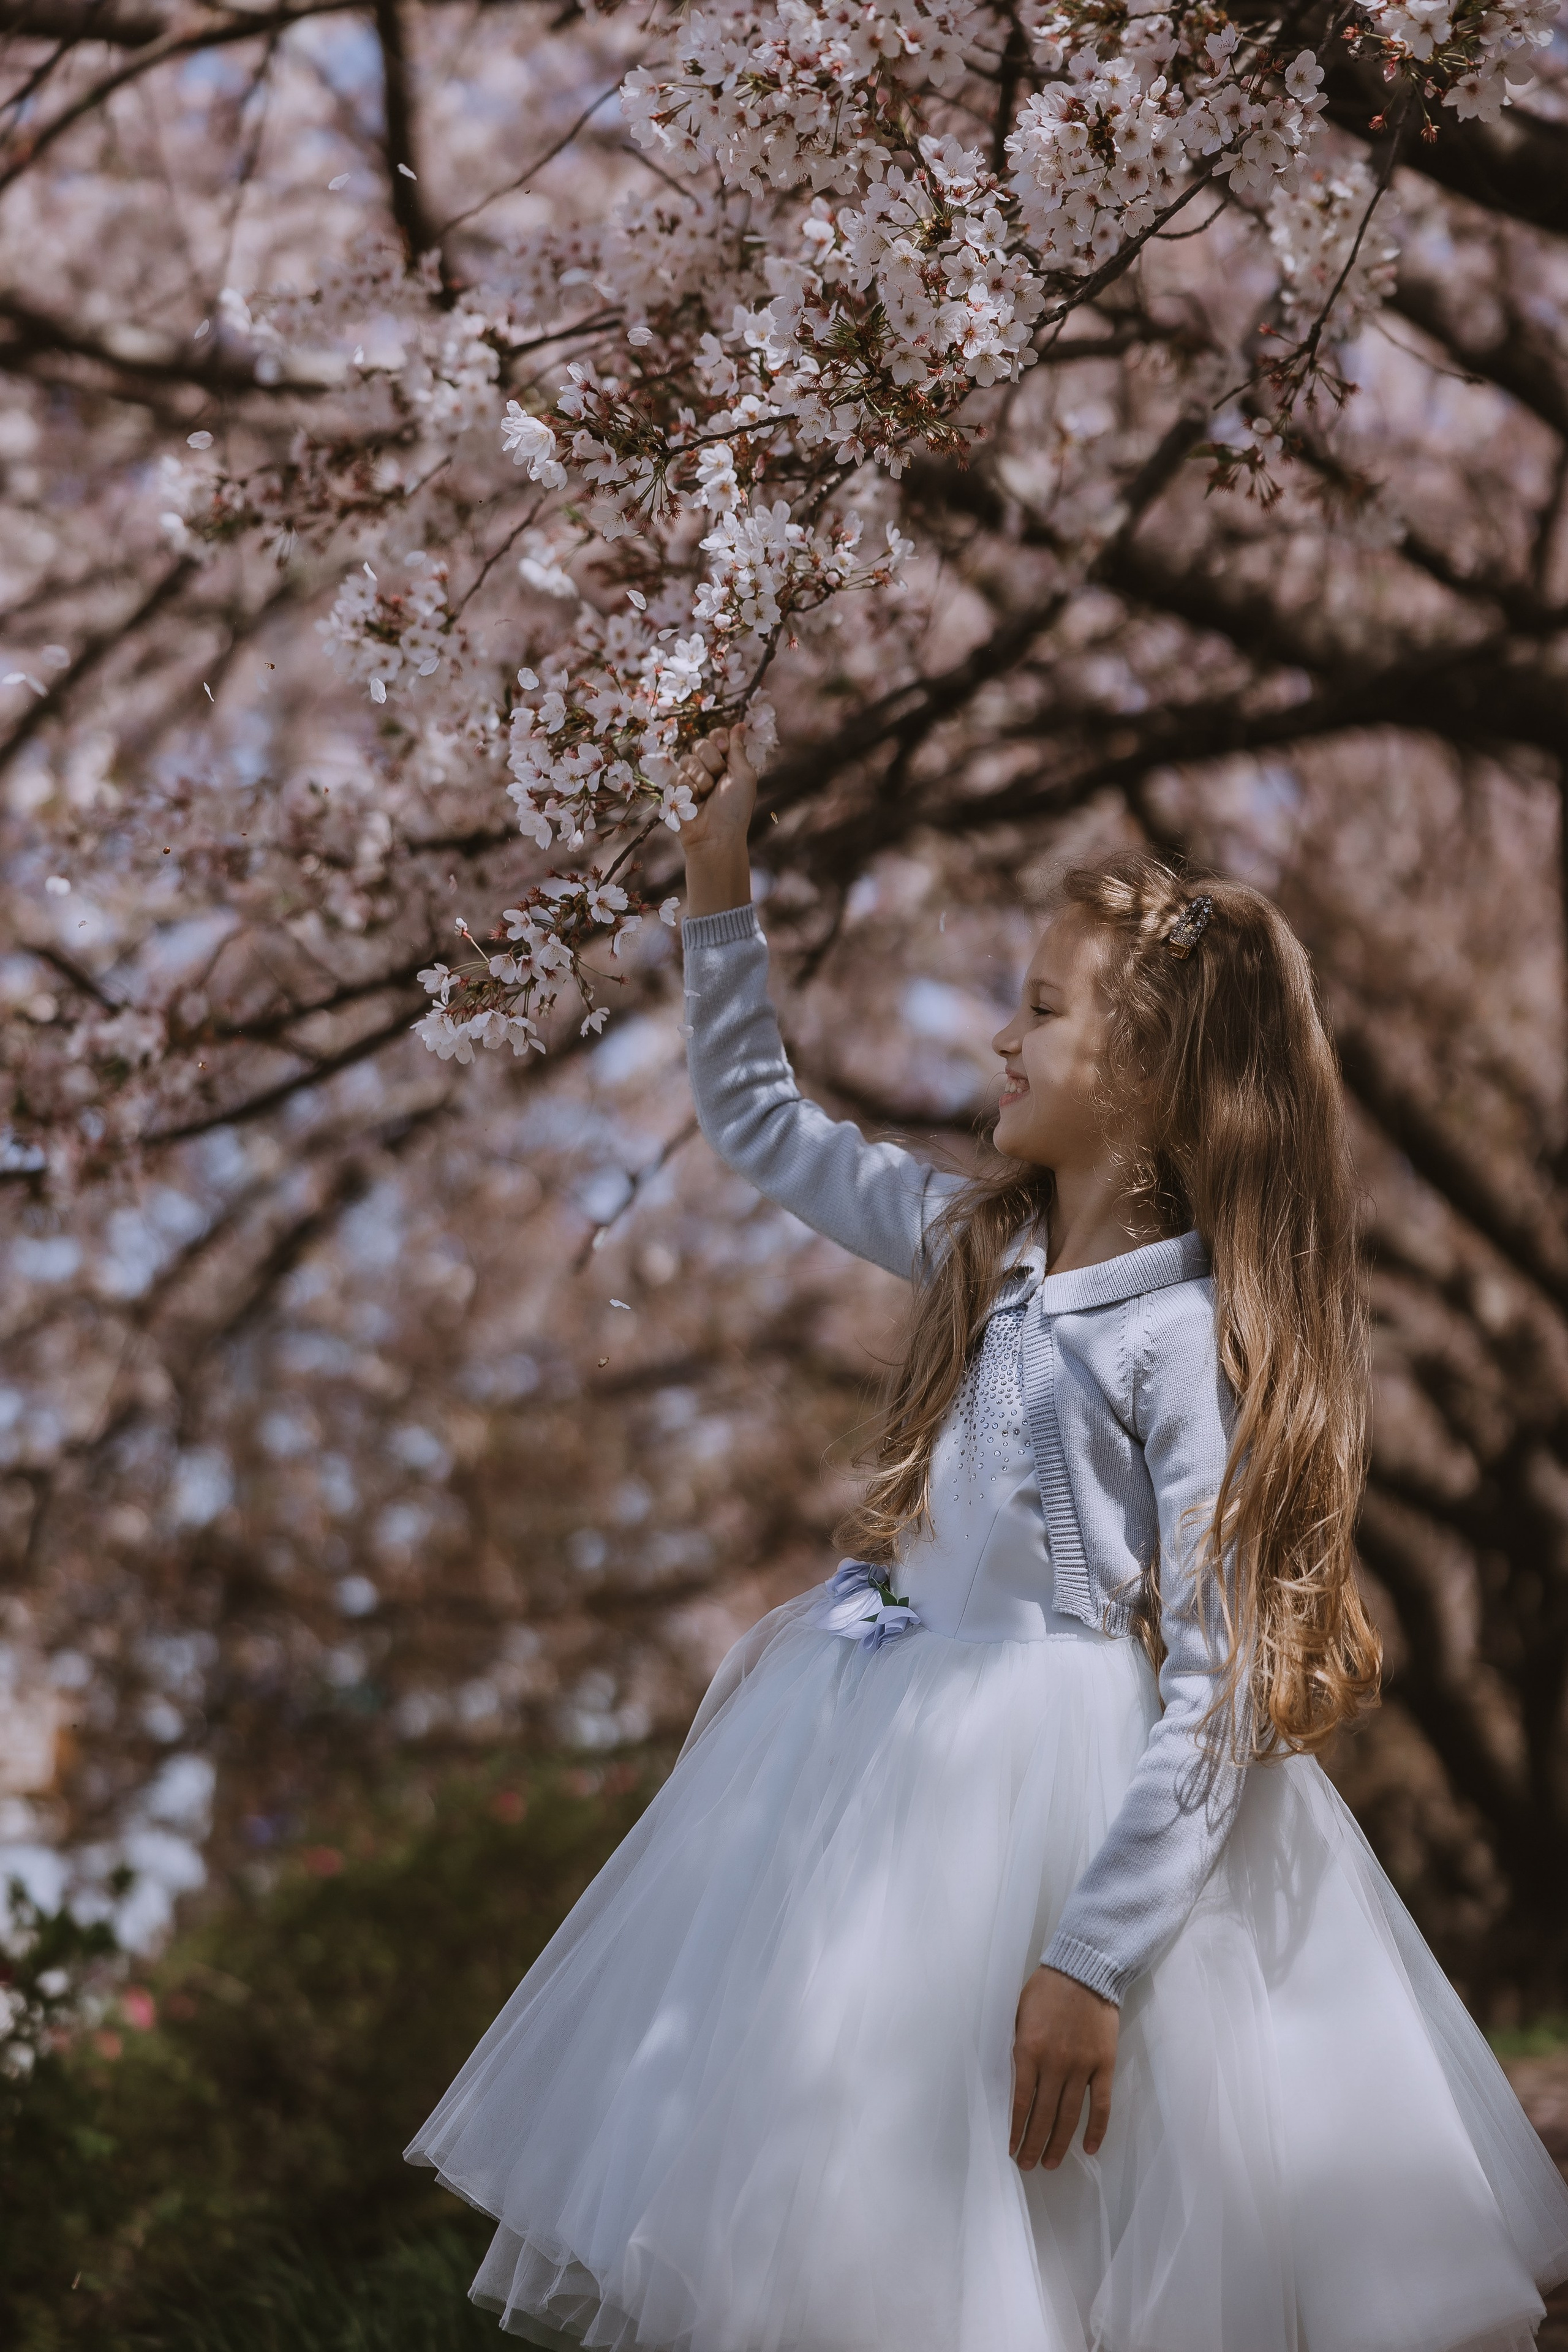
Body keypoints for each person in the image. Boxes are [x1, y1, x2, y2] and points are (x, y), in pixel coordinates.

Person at [407, 728, 1568, 2352]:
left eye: (1041, 1009)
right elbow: (752, 1115)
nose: (999, 1040)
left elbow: (1221, 1685)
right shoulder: (974, 1246)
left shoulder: (1183, 1346)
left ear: (1153, 1084)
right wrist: (715, 866)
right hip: (882, 1768)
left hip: (1072, 1817)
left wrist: (1090, 1966)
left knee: (1073, 2239)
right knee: (865, 2207)